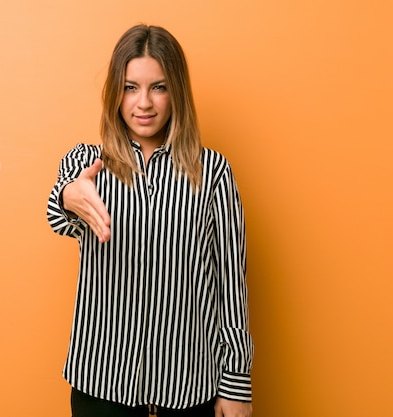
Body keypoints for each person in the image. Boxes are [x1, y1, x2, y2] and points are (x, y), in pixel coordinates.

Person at [47, 24, 253, 417]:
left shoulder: (212, 173)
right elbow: (59, 214)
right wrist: (69, 196)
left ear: (176, 92)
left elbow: (231, 286)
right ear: (115, 92)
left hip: (189, 391)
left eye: (158, 87)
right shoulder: (87, 164)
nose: (144, 103)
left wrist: (236, 384)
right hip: (101, 389)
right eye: (130, 87)